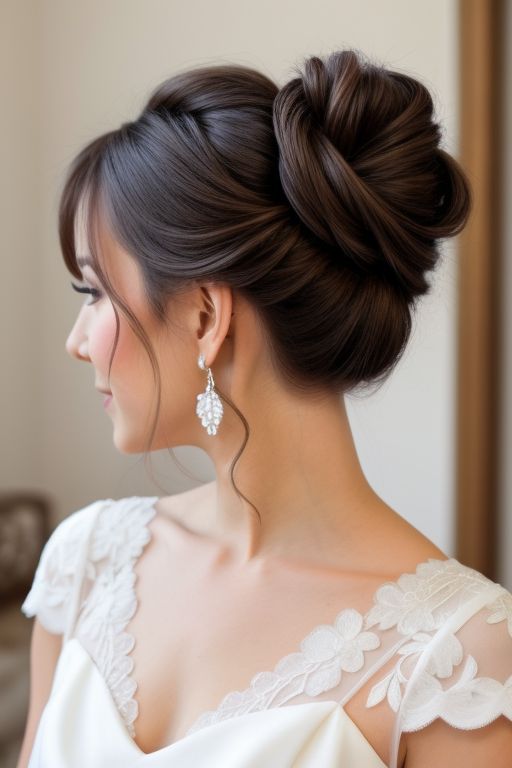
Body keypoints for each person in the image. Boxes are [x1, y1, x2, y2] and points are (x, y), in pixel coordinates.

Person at [17, 48, 512, 768]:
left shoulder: (457, 662)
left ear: (205, 317)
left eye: (94, 293)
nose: (77, 341)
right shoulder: (86, 562)